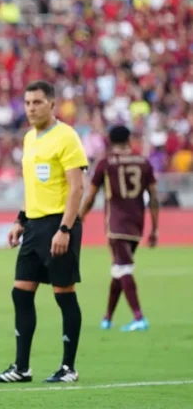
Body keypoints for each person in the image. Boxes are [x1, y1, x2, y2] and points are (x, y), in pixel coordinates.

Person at [0, 80, 88, 384]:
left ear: (52, 104)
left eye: (37, 102)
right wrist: (20, 220)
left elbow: (77, 188)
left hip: (59, 225)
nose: (31, 108)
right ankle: (21, 368)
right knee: (20, 293)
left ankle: (69, 367)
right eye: (27, 103)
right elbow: (32, 188)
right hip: (34, 226)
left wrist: (65, 229)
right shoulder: (30, 138)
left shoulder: (67, 137)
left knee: (64, 295)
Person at [79, 125, 159, 332]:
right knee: (119, 270)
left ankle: (139, 317)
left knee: (123, 269)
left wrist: (81, 216)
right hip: (136, 224)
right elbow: (154, 198)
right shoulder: (144, 162)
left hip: (116, 224)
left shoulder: (105, 164)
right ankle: (107, 318)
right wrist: (155, 229)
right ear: (129, 139)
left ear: (110, 141)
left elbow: (91, 195)